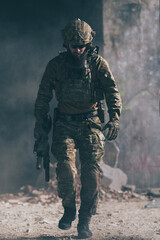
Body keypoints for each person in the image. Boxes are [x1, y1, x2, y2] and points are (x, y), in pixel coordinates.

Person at [34, 19, 122, 239]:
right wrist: (40, 129)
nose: (78, 50)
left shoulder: (98, 64)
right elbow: (43, 97)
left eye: (82, 45)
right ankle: (69, 208)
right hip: (64, 124)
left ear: (89, 43)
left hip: (91, 123)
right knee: (66, 169)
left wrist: (114, 119)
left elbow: (112, 91)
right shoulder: (56, 65)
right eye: (74, 46)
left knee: (91, 172)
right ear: (67, 44)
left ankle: (85, 220)